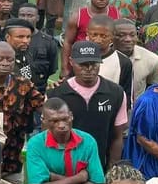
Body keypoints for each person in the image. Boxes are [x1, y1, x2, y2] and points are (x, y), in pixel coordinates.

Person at [48, 41, 127, 171]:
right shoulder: (56, 94)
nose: (89, 69)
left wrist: (112, 169)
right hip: (64, 169)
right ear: (71, 62)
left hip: (99, 167)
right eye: (83, 64)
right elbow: (48, 135)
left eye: (94, 64)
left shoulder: (116, 93)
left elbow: (117, 136)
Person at [26, 98, 105, 184]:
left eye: (65, 119)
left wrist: (53, 177)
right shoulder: (35, 144)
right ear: (44, 120)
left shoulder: (88, 141)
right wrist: (80, 177)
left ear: (71, 116)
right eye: (54, 121)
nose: (61, 125)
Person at [0, 41, 45, 184]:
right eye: (0, 59)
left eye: (9, 60)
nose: (5, 63)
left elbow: (43, 107)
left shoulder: (23, 84)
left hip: (12, 163)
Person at [62, 0, 120, 77]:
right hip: (82, 62)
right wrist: (64, 68)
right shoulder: (78, 16)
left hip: (108, 61)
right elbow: (68, 42)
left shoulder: (116, 14)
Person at [114, 18, 158, 101]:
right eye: (121, 35)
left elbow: (154, 90)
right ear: (111, 36)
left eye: (132, 35)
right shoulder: (101, 58)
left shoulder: (152, 59)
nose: (128, 39)